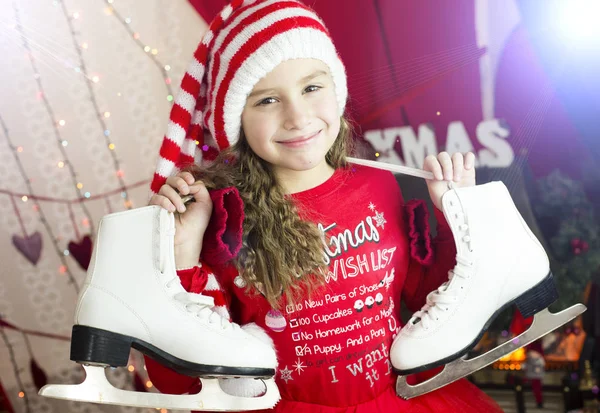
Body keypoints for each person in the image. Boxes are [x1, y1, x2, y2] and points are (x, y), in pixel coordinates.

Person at [146, 0, 503, 411]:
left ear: (337, 90)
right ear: (235, 119)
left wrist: (453, 214)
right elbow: (176, 378)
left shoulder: (379, 186)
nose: (297, 117)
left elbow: (433, 304)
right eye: (266, 101)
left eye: (312, 88)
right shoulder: (222, 220)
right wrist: (182, 254)